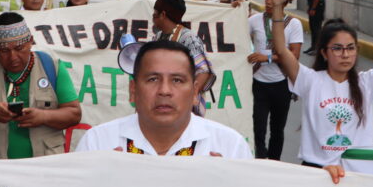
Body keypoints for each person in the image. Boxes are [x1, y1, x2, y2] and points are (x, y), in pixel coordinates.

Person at [266, 0, 373, 167]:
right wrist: (277, 9)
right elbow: (283, 52)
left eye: (350, 48)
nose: (345, 54)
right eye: (337, 49)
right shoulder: (310, 80)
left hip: (356, 173)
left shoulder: (368, 83)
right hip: (316, 172)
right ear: (324, 53)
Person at [76, 40, 252, 158]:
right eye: (153, 79)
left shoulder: (230, 147)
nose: (165, 91)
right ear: (133, 90)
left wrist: (227, 184)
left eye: (177, 80)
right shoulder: (98, 144)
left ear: (195, 93)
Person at [0, 12, 81, 159]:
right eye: (4, 51)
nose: (13, 57)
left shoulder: (52, 67)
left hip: (45, 169)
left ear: (31, 41)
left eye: (19, 48)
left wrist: (43, 116)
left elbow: (74, 114)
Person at [248, 0, 303, 159]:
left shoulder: (294, 24)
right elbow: (234, 33)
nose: (268, 2)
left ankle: (274, 162)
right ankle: (260, 160)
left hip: (282, 84)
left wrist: (268, 57)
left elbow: (294, 55)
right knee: (258, 127)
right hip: (258, 83)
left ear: (285, 2)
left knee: (277, 129)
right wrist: (234, 9)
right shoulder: (254, 20)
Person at [151, 0, 213, 110]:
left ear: (163, 14)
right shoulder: (158, 36)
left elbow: (204, 72)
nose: (153, 17)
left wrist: (186, 99)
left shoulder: (188, 38)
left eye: (154, 14)